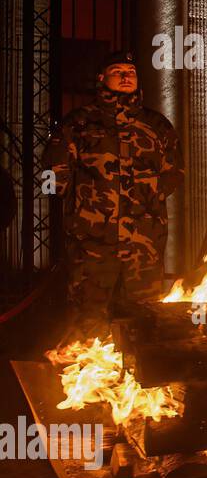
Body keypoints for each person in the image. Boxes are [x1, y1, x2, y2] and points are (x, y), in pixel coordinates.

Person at [44, 50, 183, 333]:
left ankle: (137, 375)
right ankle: (87, 373)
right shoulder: (78, 124)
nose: (125, 76)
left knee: (143, 321)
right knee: (89, 320)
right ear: (101, 78)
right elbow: (52, 173)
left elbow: (175, 174)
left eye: (130, 72)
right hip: (92, 245)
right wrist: (81, 208)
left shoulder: (157, 126)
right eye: (117, 71)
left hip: (143, 245)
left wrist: (151, 198)